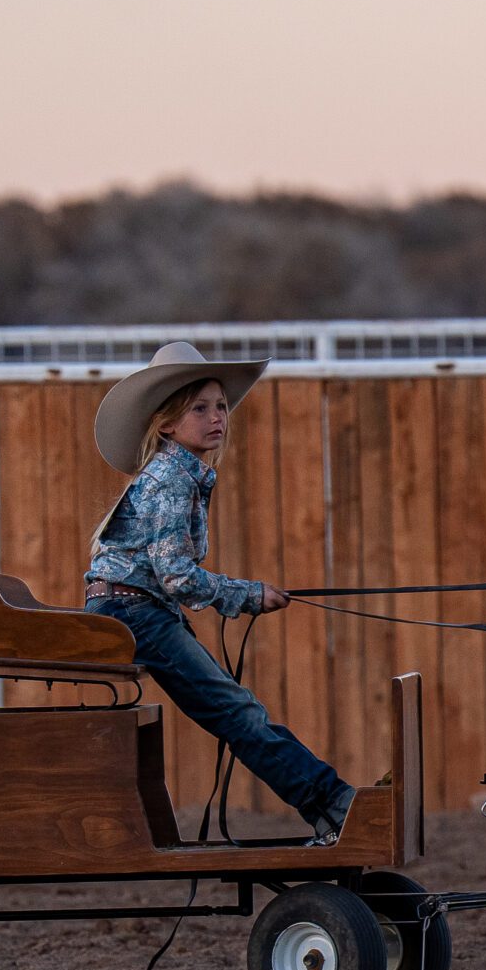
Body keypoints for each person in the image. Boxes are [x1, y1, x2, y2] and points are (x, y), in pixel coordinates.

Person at [83, 341, 354, 843]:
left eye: (221, 407)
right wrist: (246, 596)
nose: (216, 418)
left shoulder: (177, 473)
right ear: (167, 423)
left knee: (235, 708)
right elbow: (177, 577)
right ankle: (335, 806)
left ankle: (331, 805)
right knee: (236, 710)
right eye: (200, 409)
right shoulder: (172, 478)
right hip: (133, 611)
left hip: (133, 608)